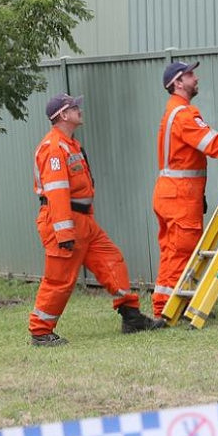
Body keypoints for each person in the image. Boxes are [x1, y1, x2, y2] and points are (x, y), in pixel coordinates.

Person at [29, 93, 165, 346]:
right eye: (74, 107)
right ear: (62, 115)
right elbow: (57, 193)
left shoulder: (71, 145)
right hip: (63, 222)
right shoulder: (55, 149)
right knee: (59, 280)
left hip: (83, 223)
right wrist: (65, 233)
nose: (79, 109)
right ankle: (40, 331)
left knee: (112, 260)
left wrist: (84, 222)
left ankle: (131, 316)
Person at [151, 61, 218, 318]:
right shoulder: (184, 114)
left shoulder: (174, 112)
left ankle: (164, 305)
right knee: (182, 252)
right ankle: (169, 310)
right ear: (178, 83)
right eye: (190, 75)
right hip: (179, 195)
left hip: (170, 193)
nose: (196, 78)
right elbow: (212, 144)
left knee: (172, 252)